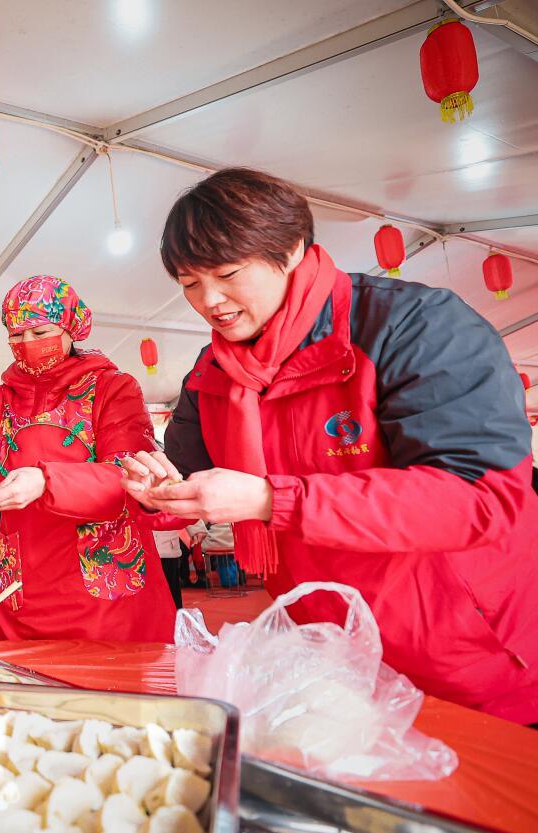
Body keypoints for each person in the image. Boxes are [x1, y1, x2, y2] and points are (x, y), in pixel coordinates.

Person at [122, 167, 538, 723]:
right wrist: (158, 493)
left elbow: (479, 499)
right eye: (190, 284)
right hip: (329, 652)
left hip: (467, 650)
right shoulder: (212, 370)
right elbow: (185, 475)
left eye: (226, 273)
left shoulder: (413, 327)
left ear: (292, 248)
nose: (209, 301)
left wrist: (272, 500)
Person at [0, 275, 176, 642]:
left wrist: (44, 481)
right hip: (19, 584)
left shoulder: (113, 389)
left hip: (101, 583)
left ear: (71, 328)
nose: (27, 344)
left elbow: (130, 475)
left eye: (41, 332)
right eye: (17, 335)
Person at [152, 521, 205, 608]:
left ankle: (175, 619)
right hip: (136, 547)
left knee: (171, 595)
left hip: (166, 546)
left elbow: (185, 507)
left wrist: (197, 527)